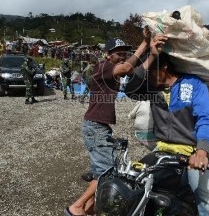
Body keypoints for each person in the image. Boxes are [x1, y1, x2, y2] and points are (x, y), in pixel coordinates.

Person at [125, 49, 209, 216]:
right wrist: (151, 56)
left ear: (164, 67)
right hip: (162, 151)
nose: (147, 78)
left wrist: (201, 152)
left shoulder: (193, 84)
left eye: (151, 72)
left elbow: (204, 119)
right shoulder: (152, 91)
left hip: (190, 152)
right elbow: (130, 89)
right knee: (135, 187)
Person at [65, 34, 155, 216]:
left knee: (106, 171)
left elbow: (136, 71)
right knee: (107, 174)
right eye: (117, 53)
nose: (122, 55)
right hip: (95, 127)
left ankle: (89, 209)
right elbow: (129, 66)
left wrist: (153, 53)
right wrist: (145, 43)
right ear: (107, 55)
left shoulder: (113, 70)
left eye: (124, 52)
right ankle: (76, 207)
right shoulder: (103, 66)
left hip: (100, 127)